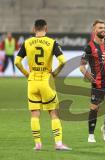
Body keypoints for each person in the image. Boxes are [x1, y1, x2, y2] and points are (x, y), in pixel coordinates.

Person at [15, 19, 71, 151]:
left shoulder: (27, 43)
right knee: (53, 113)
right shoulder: (52, 43)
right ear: (46, 28)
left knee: (34, 114)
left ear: (34, 29)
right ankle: (58, 143)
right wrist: (55, 73)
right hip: (46, 80)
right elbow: (63, 61)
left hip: (32, 81)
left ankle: (38, 144)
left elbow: (17, 62)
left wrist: (26, 74)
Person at [80, 19, 105, 143]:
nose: (103, 30)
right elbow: (82, 66)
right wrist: (87, 74)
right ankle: (91, 135)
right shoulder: (89, 47)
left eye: (104, 27)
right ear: (94, 30)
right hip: (98, 83)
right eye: (100, 28)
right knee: (94, 108)